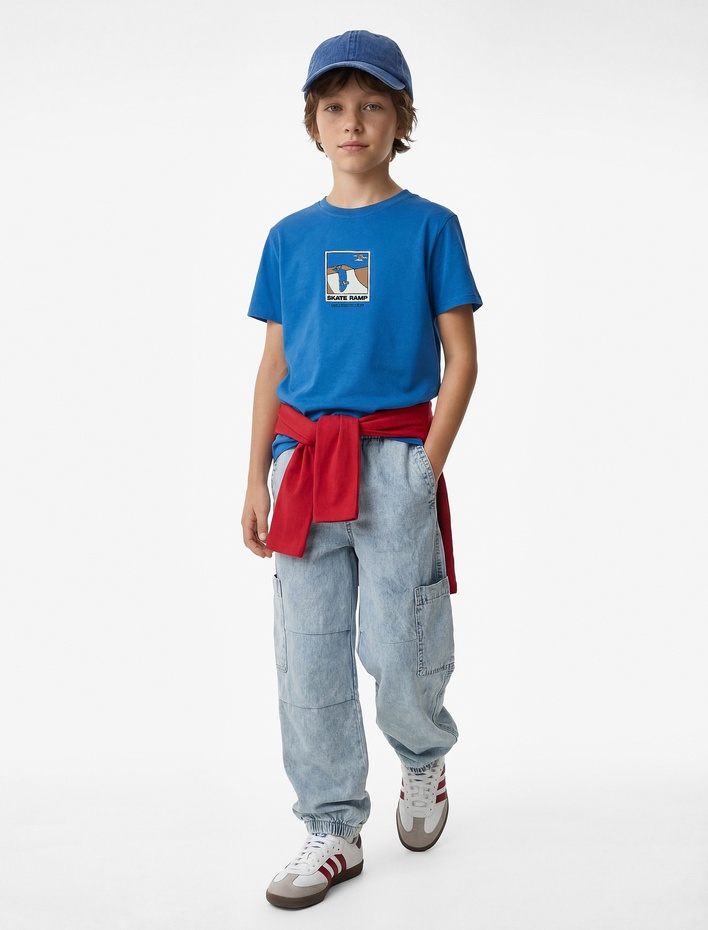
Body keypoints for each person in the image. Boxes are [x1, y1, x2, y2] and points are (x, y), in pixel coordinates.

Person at [241, 29, 483, 909]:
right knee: (308, 656)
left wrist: (425, 465)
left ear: (399, 120)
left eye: (373, 105)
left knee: (402, 642)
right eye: (336, 106)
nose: (353, 121)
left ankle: (423, 759)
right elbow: (274, 366)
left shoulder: (430, 227)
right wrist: (254, 478)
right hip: (303, 463)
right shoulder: (288, 238)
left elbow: (462, 358)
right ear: (313, 122)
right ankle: (333, 824)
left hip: (392, 462)